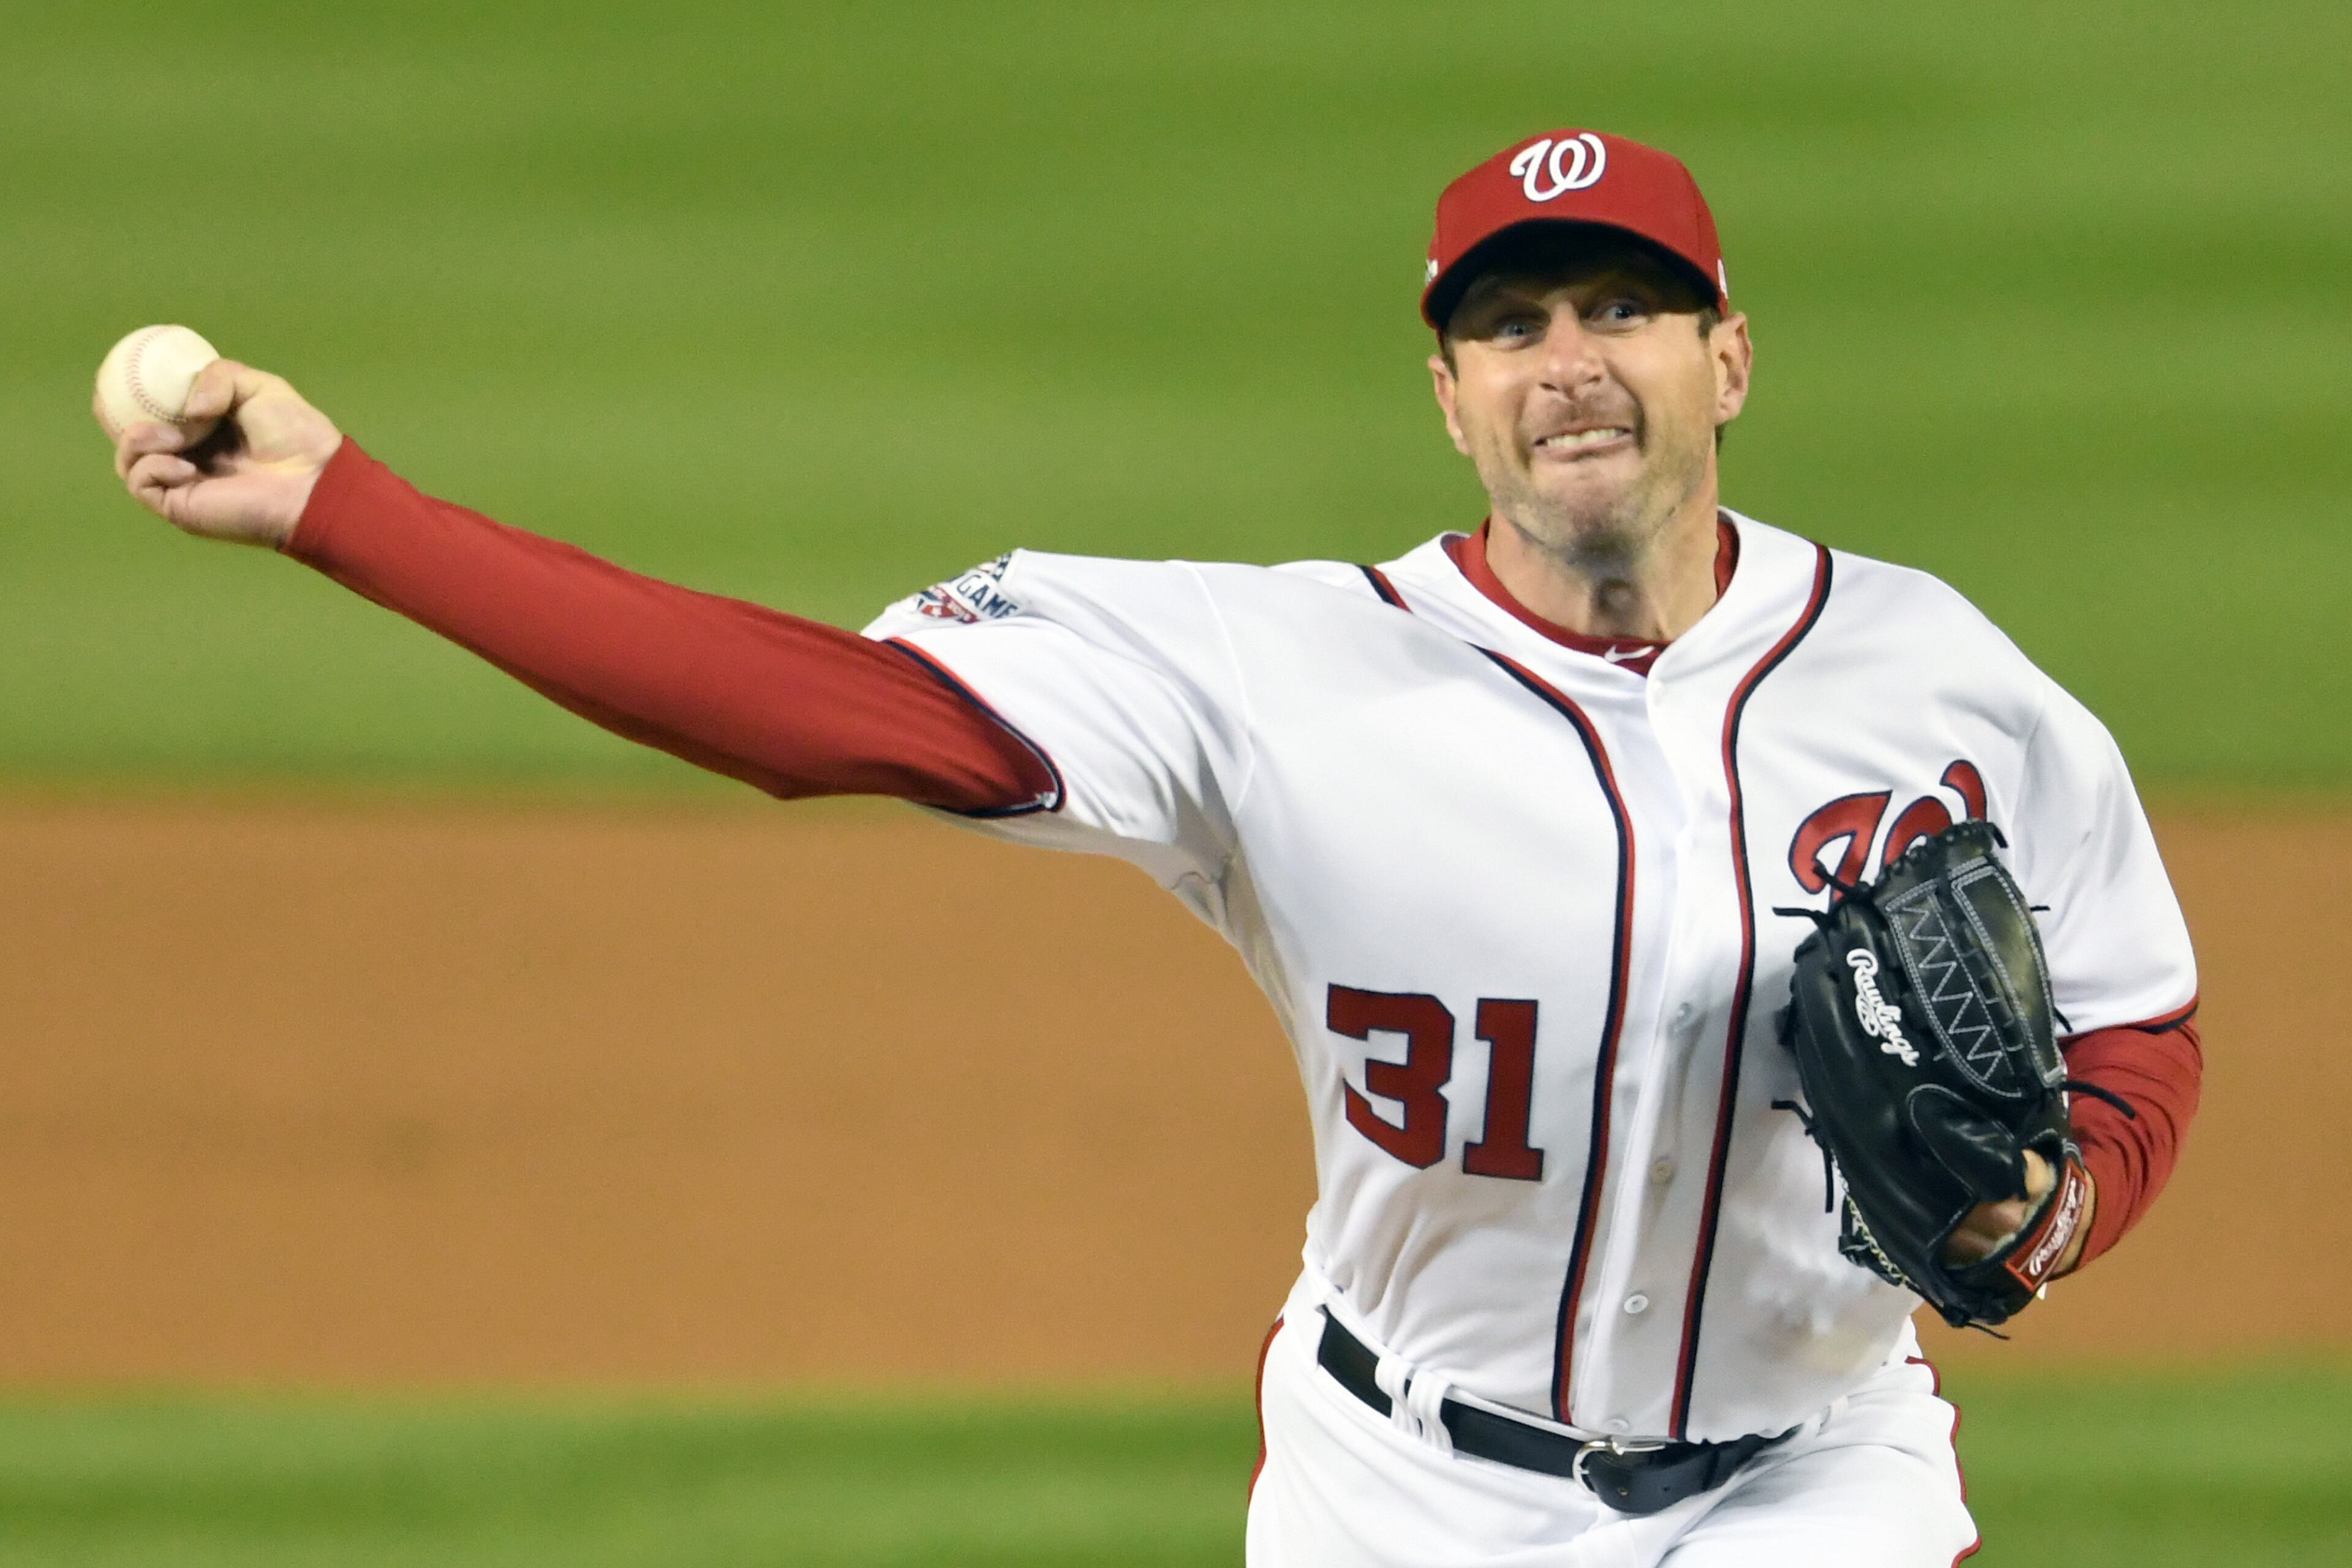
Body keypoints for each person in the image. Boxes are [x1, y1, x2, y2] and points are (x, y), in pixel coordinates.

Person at [104, 128, 2199, 1565]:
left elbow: (2135, 1015)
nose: (1575, 364)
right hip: (1408, 1501)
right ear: (1450, 396)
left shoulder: (1939, 678)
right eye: (1517, 324)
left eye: (1628, 311)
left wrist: (2070, 1201)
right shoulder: (1268, 676)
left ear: (1725, 352)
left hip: (1816, 1487)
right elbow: (817, 717)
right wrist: (344, 507)